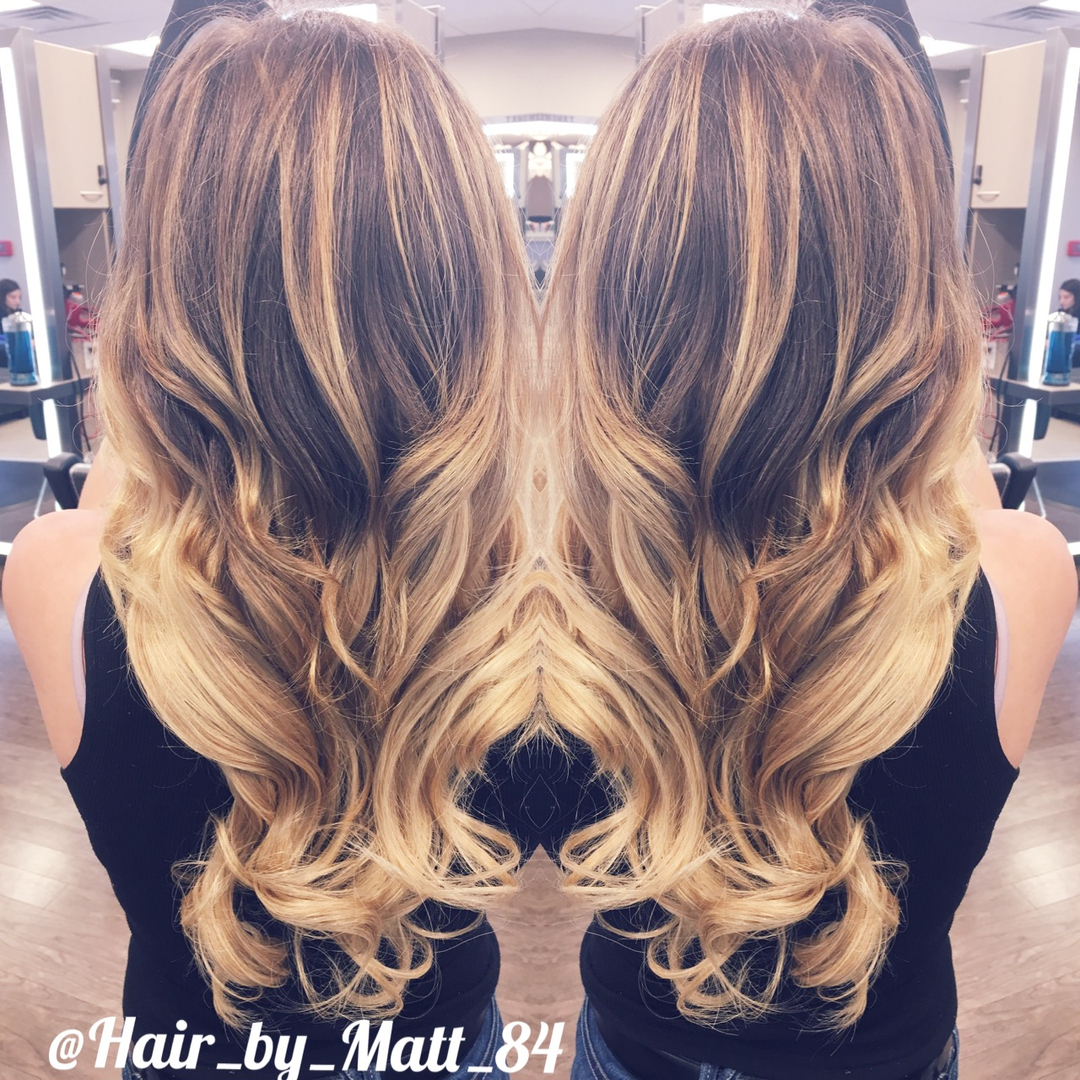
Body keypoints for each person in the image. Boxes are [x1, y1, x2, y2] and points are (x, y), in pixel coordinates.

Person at [4, 9, 538, 1080]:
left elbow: (133, 485)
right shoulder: (526, 599)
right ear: (472, 289)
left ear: (163, 288)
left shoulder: (56, 573)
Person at [543, 9, 1075, 1080]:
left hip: (634, 1049)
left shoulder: (553, 592)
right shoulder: (1023, 573)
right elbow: (946, 486)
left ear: (607, 288)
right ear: (916, 288)